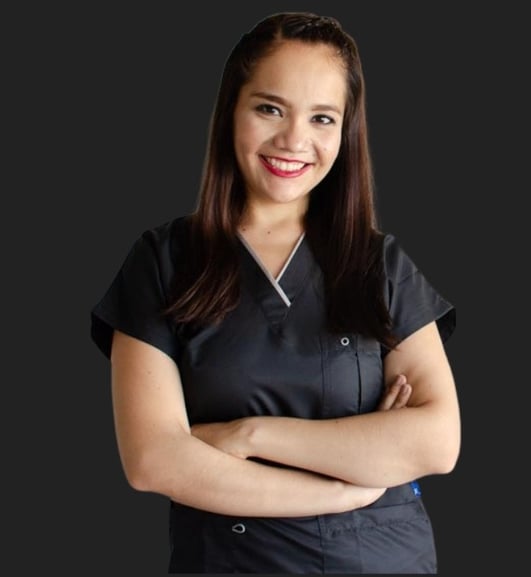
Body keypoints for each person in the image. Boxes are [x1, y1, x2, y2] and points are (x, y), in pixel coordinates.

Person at [90, 11, 460, 574]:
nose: (294, 140)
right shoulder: (164, 261)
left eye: (322, 118)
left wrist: (246, 435)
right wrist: (344, 488)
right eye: (270, 109)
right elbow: (154, 459)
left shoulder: (379, 263)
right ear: (230, 113)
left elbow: (436, 443)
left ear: (346, 131)